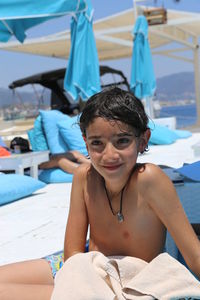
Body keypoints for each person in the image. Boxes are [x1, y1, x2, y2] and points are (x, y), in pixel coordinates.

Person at [1, 87, 200, 299]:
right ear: (86, 142)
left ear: (143, 140)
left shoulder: (149, 180)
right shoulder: (83, 178)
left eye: (122, 141)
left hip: (133, 282)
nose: (109, 155)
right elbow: (73, 255)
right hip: (85, 269)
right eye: (97, 143)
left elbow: (194, 256)